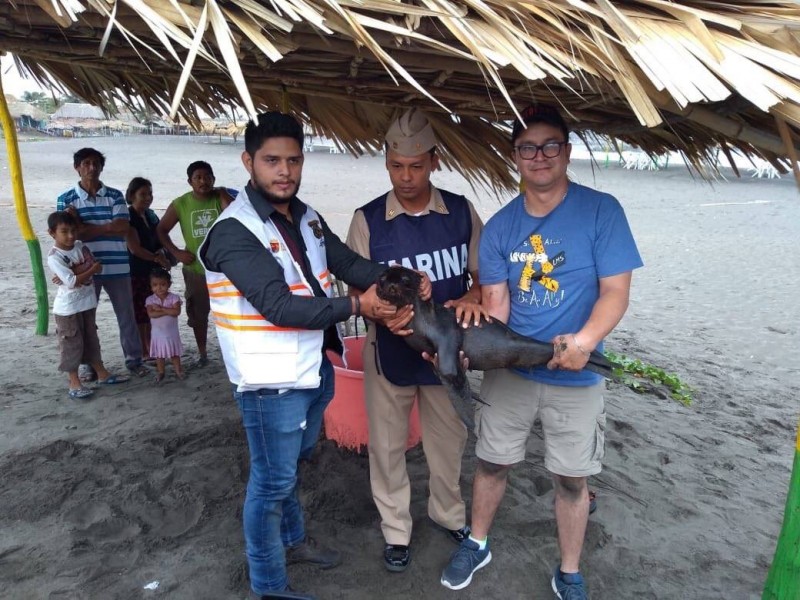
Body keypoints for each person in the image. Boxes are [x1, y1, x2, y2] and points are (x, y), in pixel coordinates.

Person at [198, 111, 426, 600]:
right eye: (272, 160)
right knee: (271, 481)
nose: (285, 171)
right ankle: (268, 584)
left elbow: (348, 263)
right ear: (248, 162)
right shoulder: (233, 231)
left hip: (313, 368)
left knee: (292, 468)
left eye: (294, 160)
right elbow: (278, 305)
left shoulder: (306, 217)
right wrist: (357, 305)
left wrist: (399, 276)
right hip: (268, 381)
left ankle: (294, 540)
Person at [439, 104, 643, 599]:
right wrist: (471, 349)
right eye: (528, 148)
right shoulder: (503, 227)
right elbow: (498, 309)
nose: (540, 156)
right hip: (514, 373)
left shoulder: (601, 210)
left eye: (550, 145)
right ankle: (478, 541)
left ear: (567, 152)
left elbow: (616, 290)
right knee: (491, 463)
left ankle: (569, 570)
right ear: (516, 157)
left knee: (572, 479)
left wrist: (585, 341)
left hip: (578, 372)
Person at [345, 108, 486, 573]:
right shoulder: (367, 220)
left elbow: (486, 281)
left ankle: (448, 514)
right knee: (386, 447)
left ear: (434, 160)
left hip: (447, 354)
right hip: (389, 356)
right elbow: (356, 292)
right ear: (386, 163)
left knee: (449, 441)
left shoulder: (461, 213)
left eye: (416, 166)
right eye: (396, 166)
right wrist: (383, 312)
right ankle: (396, 531)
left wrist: (470, 296)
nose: (406, 177)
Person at [56, 147, 147, 378]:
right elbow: (68, 236)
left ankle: (134, 359)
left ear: (101, 167)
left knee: (126, 315)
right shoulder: (65, 199)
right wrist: (106, 227)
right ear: (77, 168)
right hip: (84, 270)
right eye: (86, 163)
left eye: (96, 163)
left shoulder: (115, 195)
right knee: (86, 319)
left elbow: (123, 228)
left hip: (118, 266)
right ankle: (89, 364)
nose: (91, 168)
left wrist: (85, 227)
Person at [157, 160, 234, 366]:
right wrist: (176, 252)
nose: (203, 181)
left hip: (224, 269)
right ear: (189, 181)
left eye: (207, 177)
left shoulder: (219, 198)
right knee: (198, 314)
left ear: (213, 179)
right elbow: (161, 229)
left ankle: (232, 350)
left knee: (230, 312)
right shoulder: (181, 204)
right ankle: (202, 353)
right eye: (198, 178)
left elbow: (238, 216)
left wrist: (223, 192)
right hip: (196, 270)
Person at [47, 211, 130, 399]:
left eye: (73, 231)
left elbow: (90, 266)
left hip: (86, 303)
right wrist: (86, 270)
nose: (70, 236)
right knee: (72, 344)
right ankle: (74, 382)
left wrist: (74, 272)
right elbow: (74, 280)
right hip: (68, 309)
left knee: (92, 339)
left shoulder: (79, 245)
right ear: (52, 233)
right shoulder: (54, 256)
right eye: (64, 231)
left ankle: (101, 373)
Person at [126, 177, 171, 361]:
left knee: (153, 309)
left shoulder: (151, 215)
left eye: (150, 193)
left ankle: (152, 347)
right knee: (140, 313)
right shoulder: (129, 217)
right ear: (131, 196)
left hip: (154, 271)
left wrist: (163, 254)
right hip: (137, 271)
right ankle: (144, 351)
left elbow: (161, 236)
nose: (148, 198)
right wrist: (156, 257)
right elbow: (134, 248)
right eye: (143, 194)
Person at [146, 268, 185, 382]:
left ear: (169, 284)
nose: (159, 288)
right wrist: (168, 311)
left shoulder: (174, 298)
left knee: (174, 354)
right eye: (155, 285)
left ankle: (178, 371)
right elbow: (151, 314)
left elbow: (176, 312)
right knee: (159, 355)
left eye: (163, 284)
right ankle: (161, 372)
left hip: (172, 333)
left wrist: (161, 309)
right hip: (157, 334)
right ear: (151, 285)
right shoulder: (150, 299)